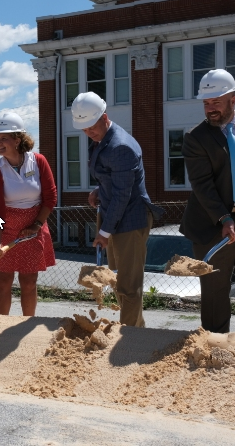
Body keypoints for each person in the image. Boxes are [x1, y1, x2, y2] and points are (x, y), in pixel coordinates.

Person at [72, 92, 163, 327]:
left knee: (128, 287)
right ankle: (136, 332)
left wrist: (104, 232)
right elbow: (112, 179)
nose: (88, 133)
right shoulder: (103, 140)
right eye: (83, 129)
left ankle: (130, 339)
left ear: (104, 117)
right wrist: (98, 190)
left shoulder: (121, 147)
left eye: (91, 127)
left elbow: (123, 195)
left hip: (131, 219)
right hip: (116, 215)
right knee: (120, 282)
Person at [180, 69, 235, 333]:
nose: (210, 109)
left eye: (216, 102)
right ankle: (213, 348)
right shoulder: (195, 138)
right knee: (214, 293)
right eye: (206, 103)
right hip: (213, 226)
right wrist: (225, 218)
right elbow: (202, 185)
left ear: (233, 99)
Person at [0, 113, 56, 316]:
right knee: (3, 281)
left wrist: (37, 224)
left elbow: (51, 197)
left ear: (17, 140)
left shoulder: (38, 161)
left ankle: (27, 322)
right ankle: (2, 322)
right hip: (5, 227)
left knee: (29, 281)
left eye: (3, 139)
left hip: (34, 227)